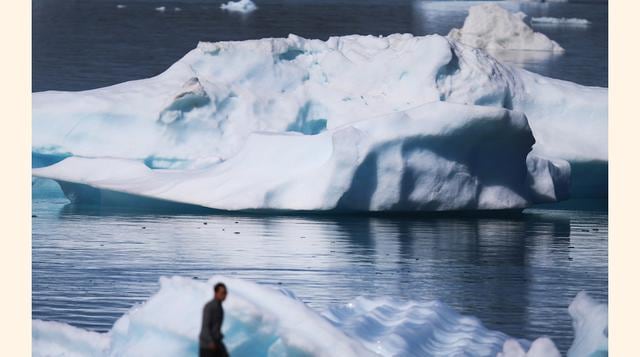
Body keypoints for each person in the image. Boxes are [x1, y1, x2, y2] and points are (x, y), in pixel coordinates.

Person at [199, 282, 229, 357]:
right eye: (222, 293)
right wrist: (210, 342)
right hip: (207, 345)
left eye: (225, 293)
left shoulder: (219, 307)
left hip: (216, 342)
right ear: (216, 293)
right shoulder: (209, 307)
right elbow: (205, 326)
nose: (224, 295)